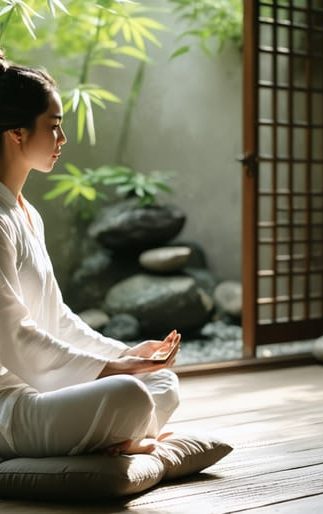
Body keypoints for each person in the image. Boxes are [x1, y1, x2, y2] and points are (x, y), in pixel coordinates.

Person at [0, 51, 181, 459]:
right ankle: (114, 438)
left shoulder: (28, 214)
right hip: (9, 405)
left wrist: (127, 354)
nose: (62, 140)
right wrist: (117, 371)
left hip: (44, 392)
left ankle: (111, 440)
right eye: (54, 126)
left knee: (163, 384)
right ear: (17, 133)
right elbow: (15, 338)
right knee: (128, 396)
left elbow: (58, 319)